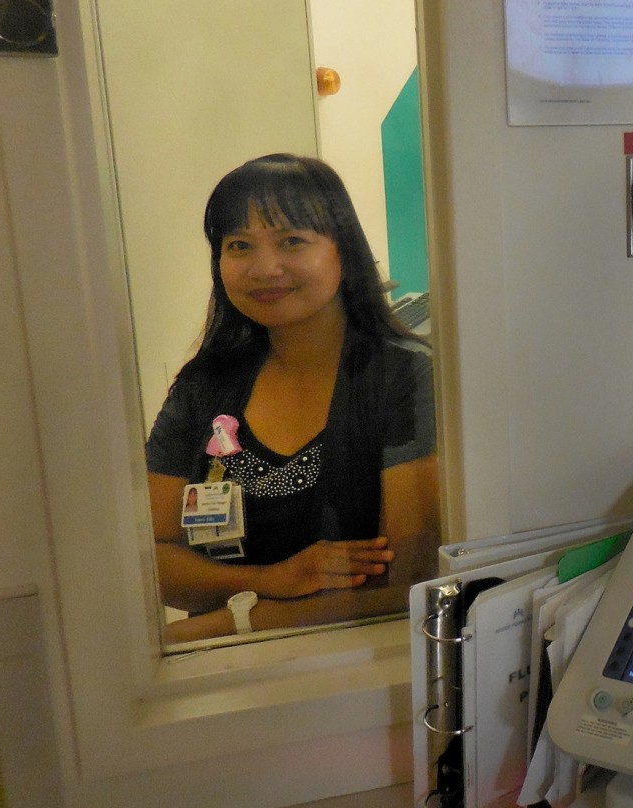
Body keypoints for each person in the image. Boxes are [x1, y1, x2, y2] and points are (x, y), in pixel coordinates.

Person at [146, 153, 439, 642]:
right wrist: (268, 581)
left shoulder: (403, 375)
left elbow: (408, 579)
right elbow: (151, 562)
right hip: (222, 666)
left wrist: (237, 621)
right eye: (240, 245)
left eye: (292, 241)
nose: (265, 269)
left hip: (364, 661)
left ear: (344, 251)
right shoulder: (204, 384)